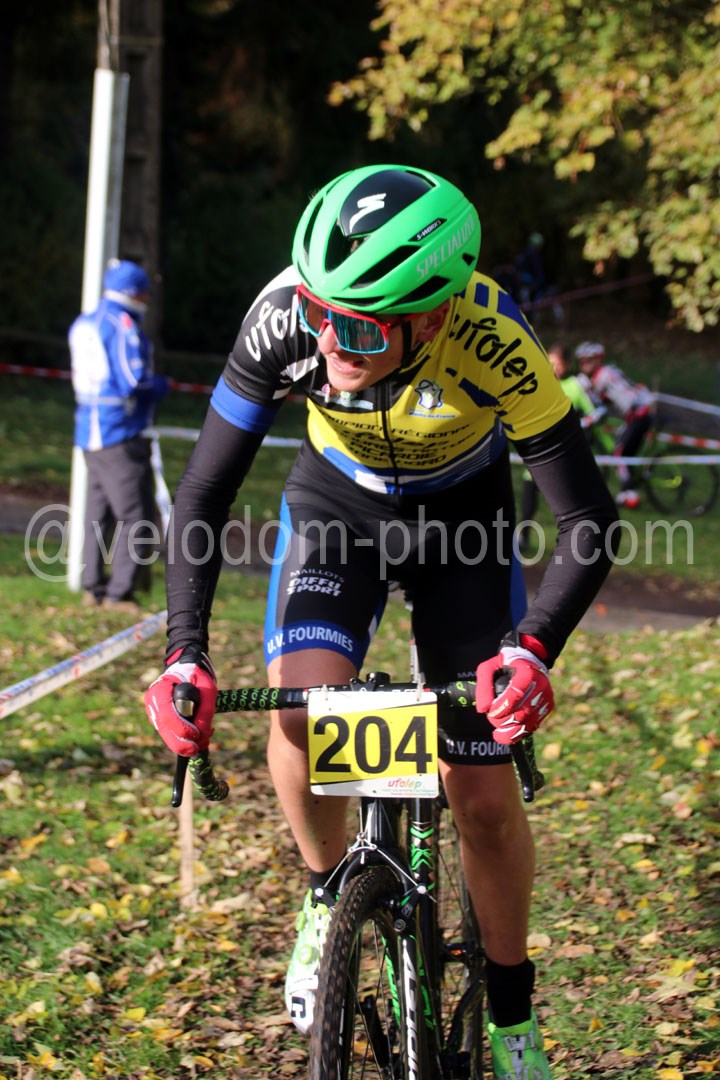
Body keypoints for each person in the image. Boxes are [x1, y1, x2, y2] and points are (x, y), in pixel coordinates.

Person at [144, 165, 618, 1079]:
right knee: (299, 716)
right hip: (337, 511)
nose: (329, 339)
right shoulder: (286, 317)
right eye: (320, 312)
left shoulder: (493, 336)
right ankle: (328, 894)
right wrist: (183, 653)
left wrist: (533, 649)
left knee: (482, 796)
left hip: (464, 524)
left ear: (431, 319)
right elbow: (202, 493)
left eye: (358, 326)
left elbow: (589, 518)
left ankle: (513, 1017)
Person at [69, 258, 168, 610]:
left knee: (98, 514)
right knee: (135, 514)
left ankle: (93, 587)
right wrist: (161, 386)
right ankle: (120, 593)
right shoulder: (122, 324)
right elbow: (132, 380)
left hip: (89, 430)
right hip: (119, 431)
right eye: (144, 293)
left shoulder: (84, 321)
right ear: (133, 293)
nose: (146, 299)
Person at [519, 343, 612, 544]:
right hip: (539, 452)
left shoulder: (575, 385)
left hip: (566, 456)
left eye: (558, 364)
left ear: (568, 365)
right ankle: (523, 536)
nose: (554, 368)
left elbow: (596, 412)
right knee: (529, 493)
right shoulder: (537, 382)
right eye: (550, 363)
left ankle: (571, 543)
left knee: (567, 505)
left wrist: (578, 425)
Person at [575, 341, 654, 509]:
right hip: (635, 414)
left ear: (598, 359)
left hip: (638, 415)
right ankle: (626, 491)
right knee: (624, 449)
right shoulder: (606, 373)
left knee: (620, 453)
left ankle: (631, 494)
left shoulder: (603, 375)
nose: (584, 364)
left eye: (589, 360)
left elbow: (597, 400)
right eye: (582, 361)